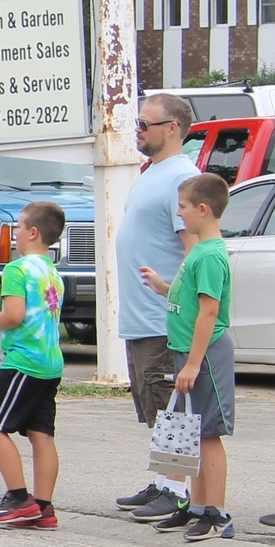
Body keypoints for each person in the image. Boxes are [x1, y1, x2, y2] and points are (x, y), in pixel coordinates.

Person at [115, 92, 204, 523]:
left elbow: (195, 250)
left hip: (162, 318)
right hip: (140, 316)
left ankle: (178, 489)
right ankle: (165, 479)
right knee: (155, 404)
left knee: (170, 402)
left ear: (172, 128)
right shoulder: (154, 172)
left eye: (145, 125)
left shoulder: (181, 179)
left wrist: (175, 299)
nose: (138, 131)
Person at [138, 173, 236, 541]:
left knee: (208, 433)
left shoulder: (210, 255)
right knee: (192, 432)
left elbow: (209, 313)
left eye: (182, 207)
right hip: (188, 351)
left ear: (202, 209)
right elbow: (190, 300)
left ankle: (216, 512)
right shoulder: (198, 252)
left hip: (206, 355)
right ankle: (195, 507)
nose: (179, 214)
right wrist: (164, 287)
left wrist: (194, 363)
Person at [0, 201, 67, 529]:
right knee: (40, 433)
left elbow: (14, 315)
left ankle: (18, 497)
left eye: (18, 227)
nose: (15, 234)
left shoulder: (17, 270)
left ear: (32, 232)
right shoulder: (52, 272)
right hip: (50, 362)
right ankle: (44, 506)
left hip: (23, 361)